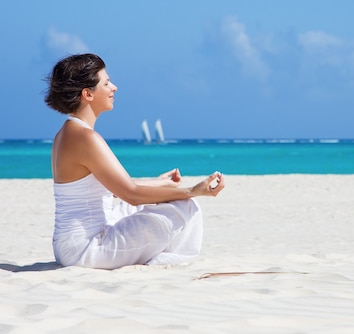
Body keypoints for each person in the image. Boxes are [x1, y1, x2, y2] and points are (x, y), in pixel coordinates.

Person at [44, 53, 225, 269]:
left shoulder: (67, 132)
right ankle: (164, 261)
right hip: (86, 249)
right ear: (87, 94)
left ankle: (157, 253)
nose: (114, 88)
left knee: (166, 200)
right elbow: (131, 195)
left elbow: (113, 189)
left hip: (71, 245)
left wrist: (160, 183)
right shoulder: (86, 137)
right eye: (107, 83)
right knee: (185, 206)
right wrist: (192, 191)